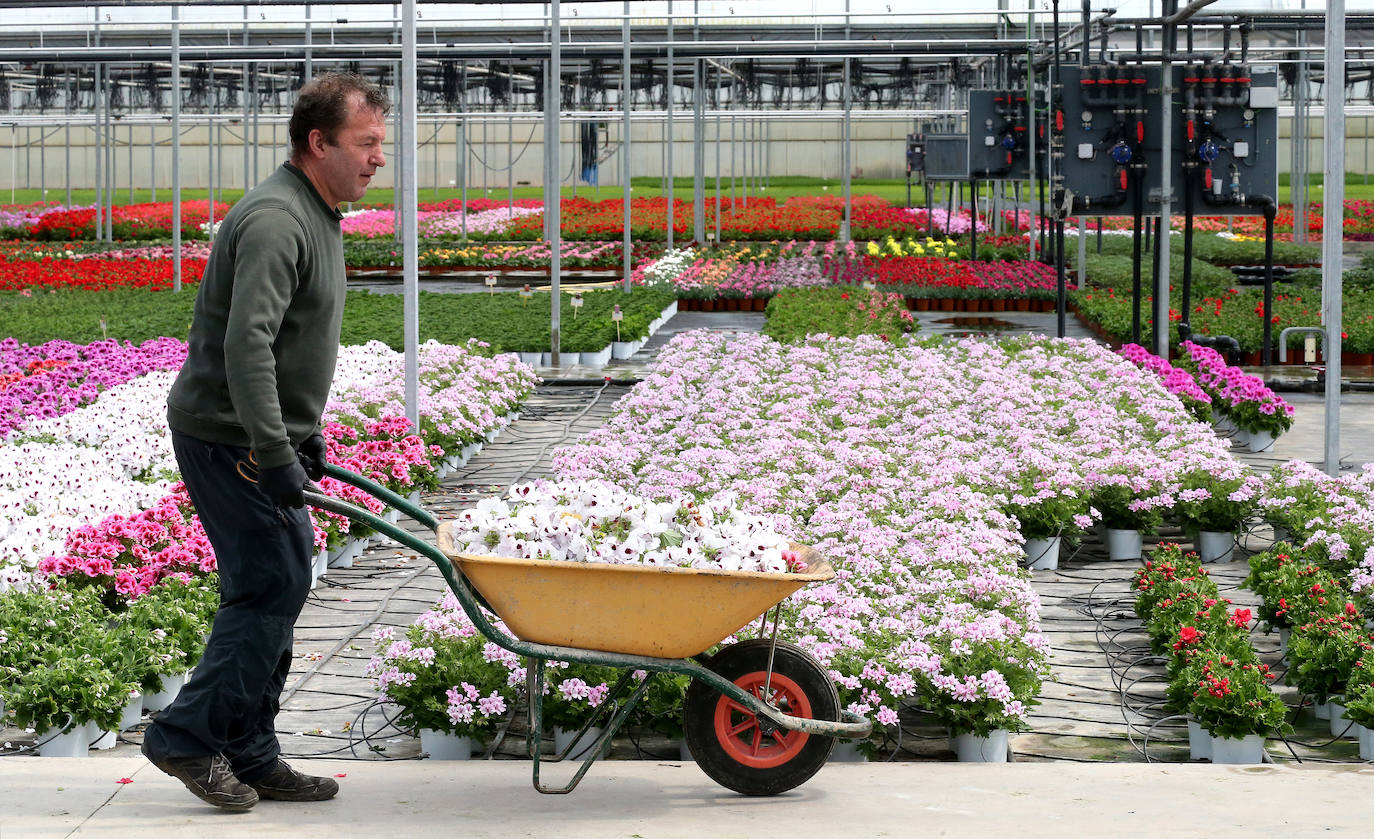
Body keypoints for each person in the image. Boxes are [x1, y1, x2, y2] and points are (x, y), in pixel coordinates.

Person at [141, 71, 388, 811]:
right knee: (268, 584)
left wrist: (298, 436)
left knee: (281, 579)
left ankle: (249, 747)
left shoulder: (313, 210)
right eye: (366, 143)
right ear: (319, 142)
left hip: (253, 435)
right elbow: (248, 346)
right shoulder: (280, 219)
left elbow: (281, 346)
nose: (378, 158)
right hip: (227, 438)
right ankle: (187, 734)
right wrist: (273, 450)